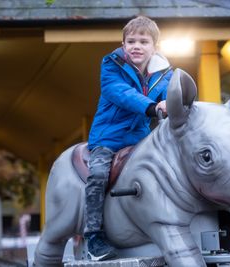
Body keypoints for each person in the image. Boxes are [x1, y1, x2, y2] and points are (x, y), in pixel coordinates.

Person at [84, 15, 173, 261]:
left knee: (166, 169)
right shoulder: (111, 65)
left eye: (143, 41)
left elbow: (177, 94)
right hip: (108, 137)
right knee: (98, 175)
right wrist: (154, 106)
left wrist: (175, 102)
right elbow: (121, 94)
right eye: (131, 41)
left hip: (140, 139)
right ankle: (93, 236)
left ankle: (163, 221)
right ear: (123, 45)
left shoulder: (165, 74)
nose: (136, 46)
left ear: (155, 47)